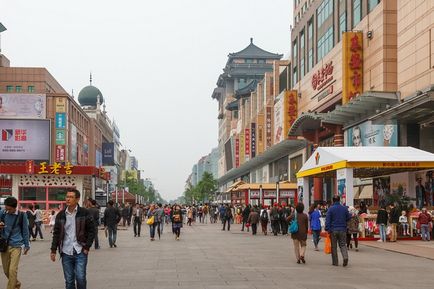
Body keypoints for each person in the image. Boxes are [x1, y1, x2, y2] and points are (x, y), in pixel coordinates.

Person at [50, 189, 95, 289]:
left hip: (80, 251)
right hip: (66, 251)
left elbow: (92, 231)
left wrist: (87, 247)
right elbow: (56, 233)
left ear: (77, 199)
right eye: (67, 197)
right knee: (69, 280)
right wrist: (53, 250)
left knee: (80, 278)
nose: (68, 199)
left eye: (71, 197)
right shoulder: (60, 215)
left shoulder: (84, 213)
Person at [0, 197, 30, 289]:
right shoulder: (2, 213)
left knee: (12, 270)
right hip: (4, 245)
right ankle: (16, 284)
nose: (7, 211)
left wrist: (27, 245)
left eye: (9, 209)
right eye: (6, 208)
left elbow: (25, 230)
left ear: (15, 207)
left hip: (16, 245)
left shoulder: (21, 215)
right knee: (6, 271)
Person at [325, 195, 351, 267]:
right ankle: (345, 257)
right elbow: (349, 217)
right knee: (343, 245)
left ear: (333, 201)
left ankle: (335, 262)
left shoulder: (330, 209)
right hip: (342, 229)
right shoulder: (344, 208)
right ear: (339, 200)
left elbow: (328, 220)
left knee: (334, 246)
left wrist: (327, 229)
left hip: (333, 230)